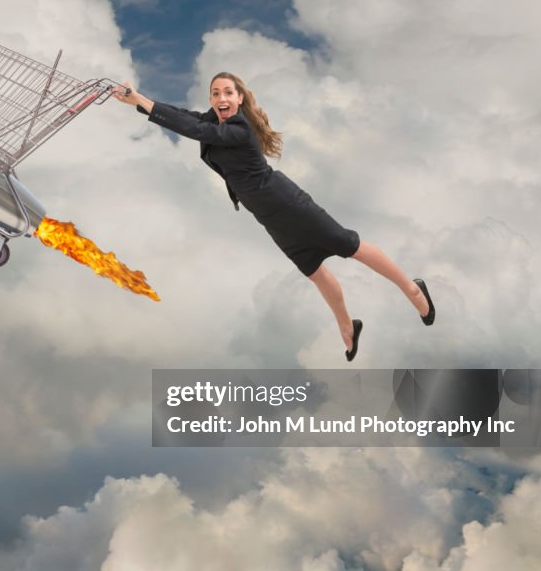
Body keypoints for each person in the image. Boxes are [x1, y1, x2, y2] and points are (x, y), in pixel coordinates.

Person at [112, 73, 434, 360]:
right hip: (269, 217)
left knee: (349, 245)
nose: (221, 98)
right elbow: (185, 116)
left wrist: (142, 101)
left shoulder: (239, 128)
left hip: (290, 203)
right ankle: (348, 326)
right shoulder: (215, 122)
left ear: (240, 98)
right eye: (215, 93)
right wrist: (139, 101)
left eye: (227, 92)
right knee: (314, 271)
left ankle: (412, 289)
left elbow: (192, 128)